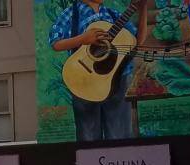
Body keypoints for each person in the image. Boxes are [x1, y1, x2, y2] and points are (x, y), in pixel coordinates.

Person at [49, 0, 142, 141]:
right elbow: (55, 43)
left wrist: (144, 9)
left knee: (120, 135)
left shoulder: (112, 13)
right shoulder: (71, 13)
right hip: (82, 79)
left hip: (116, 79)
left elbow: (138, 41)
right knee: (88, 136)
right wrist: (83, 38)